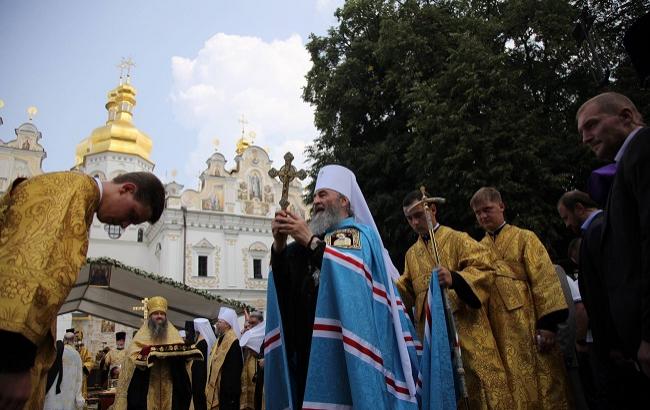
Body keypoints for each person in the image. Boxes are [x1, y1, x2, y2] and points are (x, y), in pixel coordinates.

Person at [267, 165, 431, 409]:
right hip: (308, 351)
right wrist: (280, 247)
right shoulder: (313, 241)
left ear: (344, 200)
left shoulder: (358, 235)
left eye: (323, 194)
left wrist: (309, 241)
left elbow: (351, 280)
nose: (316, 200)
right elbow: (286, 286)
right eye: (315, 196)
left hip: (344, 351)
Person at [0, 170, 165, 409]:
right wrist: (13, 363)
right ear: (126, 189)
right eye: (131, 215)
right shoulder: (73, 191)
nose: (124, 224)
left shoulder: (77, 196)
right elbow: (27, 270)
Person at [397, 189, 510, 409]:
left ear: (432, 209)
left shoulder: (458, 238)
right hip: (432, 334)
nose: (414, 222)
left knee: (477, 384)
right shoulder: (411, 254)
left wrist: (456, 278)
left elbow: (485, 269)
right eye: (409, 218)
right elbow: (406, 288)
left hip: (465, 328)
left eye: (418, 215)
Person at [470, 187, 571, 409]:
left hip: (530, 323)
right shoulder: (477, 249)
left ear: (501, 206)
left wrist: (548, 324)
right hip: (498, 330)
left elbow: (544, 279)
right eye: (478, 213)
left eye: (487, 209)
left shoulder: (525, 237)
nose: (483, 216)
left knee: (543, 382)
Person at [577, 92, 650, 384]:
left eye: (591, 125)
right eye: (582, 132)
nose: (585, 138)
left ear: (626, 116)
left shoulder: (643, 151)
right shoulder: (628, 164)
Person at [113, 296, 202, 409]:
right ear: (150, 316)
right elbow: (131, 360)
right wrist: (145, 358)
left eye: (162, 313)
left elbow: (184, 364)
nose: (159, 316)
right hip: (147, 390)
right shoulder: (140, 336)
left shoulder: (174, 335)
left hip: (170, 390)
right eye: (156, 313)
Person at [206, 307, 243, 410]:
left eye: (220, 322)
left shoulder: (233, 341)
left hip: (227, 389)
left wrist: (230, 391)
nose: (217, 324)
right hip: (219, 385)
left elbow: (235, 368)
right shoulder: (221, 338)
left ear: (227, 324)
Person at [44, 332, 84, 410]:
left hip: (54, 391)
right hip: (69, 394)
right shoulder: (76, 355)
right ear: (73, 341)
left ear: (64, 339)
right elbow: (78, 379)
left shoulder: (56, 350)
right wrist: (78, 397)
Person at [240, 311, 264, 410]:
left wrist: (256, 353)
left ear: (261, 323)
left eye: (253, 323)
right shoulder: (247, 333)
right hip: (245, 372)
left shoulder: (265, 336)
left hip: (258, 374)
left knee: (256, 400)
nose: (250, 326)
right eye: (249, 323)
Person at [191, 318, 217, 410]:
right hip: (198, 372)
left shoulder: (203, 342)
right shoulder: (202, 339)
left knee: (200, 396)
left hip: (201, 373)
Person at [66, 329, 94, 400]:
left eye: (78, 339)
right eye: (75, 338)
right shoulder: (67, 349)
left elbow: (90, 361)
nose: (77, 341)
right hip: (69, 375)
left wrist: (83, 366)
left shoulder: (84, 350)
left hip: (81, 375)